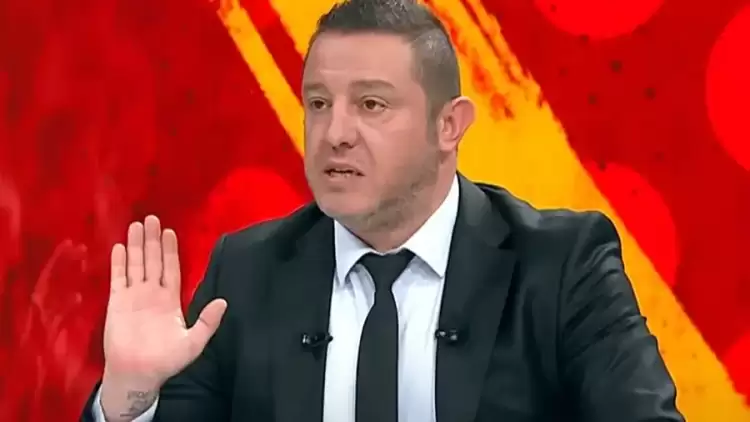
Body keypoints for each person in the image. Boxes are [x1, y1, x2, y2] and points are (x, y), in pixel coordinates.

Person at [80, 0, 685, 421]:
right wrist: (130, 397)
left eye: (371, 104)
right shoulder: (246, 273)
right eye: (318, 103)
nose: (334, 133)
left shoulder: (561, 267)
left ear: (449, 125)